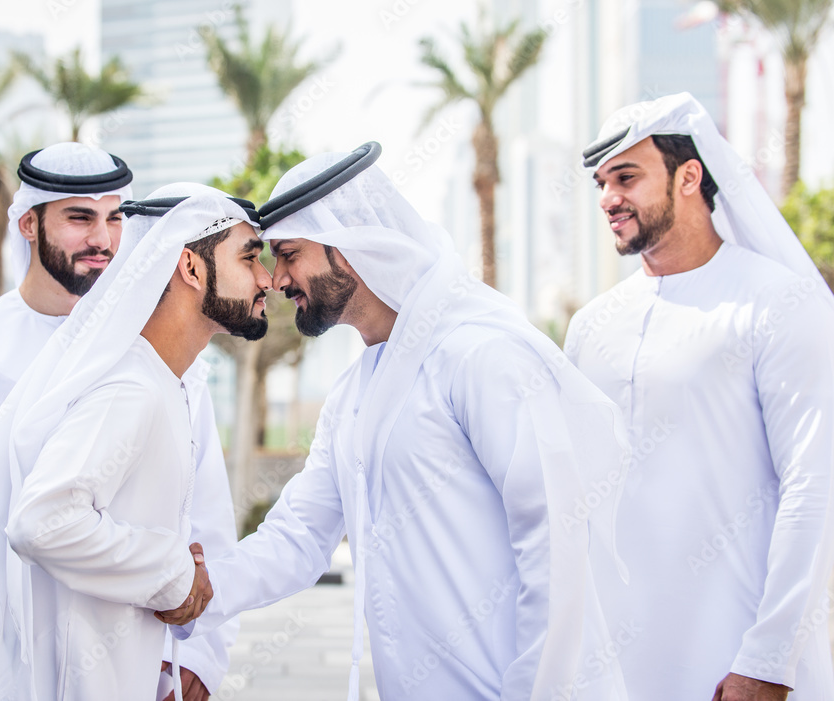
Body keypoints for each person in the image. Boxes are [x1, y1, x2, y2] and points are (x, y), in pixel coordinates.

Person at [170, 143, 631, 700]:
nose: (277, 276)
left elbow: (556, 540)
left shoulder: (479, 356)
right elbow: (300, 536)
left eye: (290, 253)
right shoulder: (354, 392)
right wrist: (191, 586)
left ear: (352, 247)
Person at [0, 145, 236, 700]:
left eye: (115, 218)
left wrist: (195, 659)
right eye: (80, 218)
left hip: (133, 672)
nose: (102, 239)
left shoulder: (165, 359)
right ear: (29, 224)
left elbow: (205, 520)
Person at [565, 92, 834, 701]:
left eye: (627, 178)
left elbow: (815, 486)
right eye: (602, 183)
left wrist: (769, 660)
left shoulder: (778, 304)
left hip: (737, 663)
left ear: (689, 177)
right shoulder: (591, 326)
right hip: (613, 671)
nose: (608, 199)